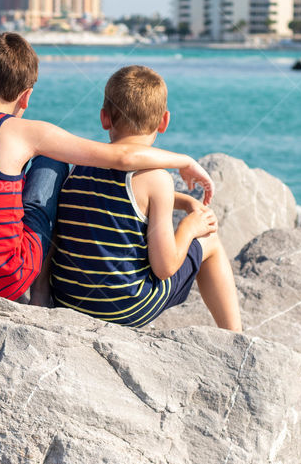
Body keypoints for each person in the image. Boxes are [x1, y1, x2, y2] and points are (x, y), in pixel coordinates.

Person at [0, 33, 215, 304]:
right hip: (3, 279)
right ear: (26, 97)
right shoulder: (25, 131)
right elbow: (122, 158)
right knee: (51, 160)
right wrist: (184, 161)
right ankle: (42, 292)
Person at [48, 65, 241, 331]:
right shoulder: (156, 179)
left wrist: (183, 201)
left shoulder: (81, 167)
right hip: (124, 309)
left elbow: (121, 197)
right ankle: (235, 335)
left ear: (105, 118)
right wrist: (189, 228)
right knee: (210, 241)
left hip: (68, 300)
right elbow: (165, 267)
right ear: (164, 121)